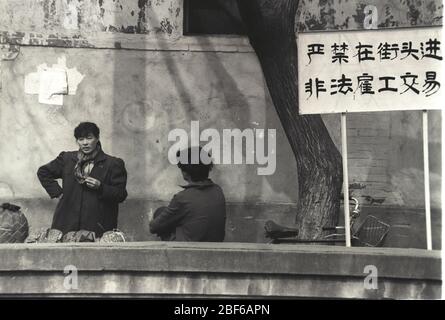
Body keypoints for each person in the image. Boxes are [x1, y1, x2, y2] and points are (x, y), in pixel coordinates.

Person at [37, 122, 128, 237]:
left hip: (97, 225)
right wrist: (58, 193)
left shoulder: (113, 163)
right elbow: (43, 172)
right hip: (67, 222)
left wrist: (101, 187)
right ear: (77, 141)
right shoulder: (67, 159)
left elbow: (121, 194)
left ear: (97, 138)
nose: (85, 143)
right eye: (81, 139)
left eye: (89, 138)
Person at [149, 147, 226, 242]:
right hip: (214, 244)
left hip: (188, 251)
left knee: (160, 212)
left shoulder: (183, 198)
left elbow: (153, 228)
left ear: (185, 173)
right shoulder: (218, 191)